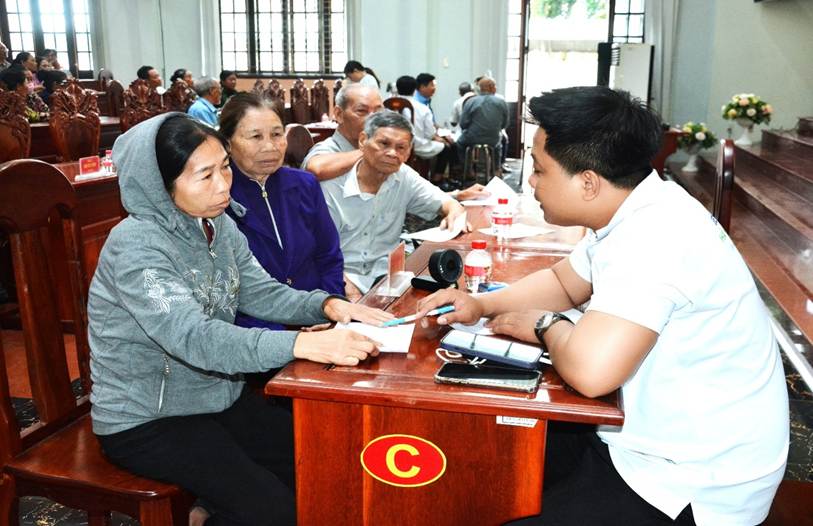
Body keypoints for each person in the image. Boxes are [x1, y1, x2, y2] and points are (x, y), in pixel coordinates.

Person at [416, 86, 788, 526]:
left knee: (503, 481)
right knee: (491, 462)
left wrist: (545, 326)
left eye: (540, 170)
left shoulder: (655, 236)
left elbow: (592, 374)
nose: (531, 182)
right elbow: (563, 282)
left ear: (588, 182)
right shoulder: (638, 206)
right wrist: (479, 305)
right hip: (648, 436)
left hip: (691, 480)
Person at [88, 113, 392, 526]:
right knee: (276, 512)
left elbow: (260, 291)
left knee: (325, 459)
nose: (223, 185)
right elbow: (195, 338)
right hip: (147, 418)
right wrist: (302, 344)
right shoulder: (136, 246)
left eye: (225, 167)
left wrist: (326, 305)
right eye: (205, 175)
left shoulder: (216, 223)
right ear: (161, 185)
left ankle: (211, 507)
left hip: (215, 397)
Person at [221, 92, 344, 330]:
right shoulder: (218, 197)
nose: (270, 146)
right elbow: (230, 290)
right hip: (256, 332)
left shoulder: (304, 184)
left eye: (277, 134)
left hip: (317, 316)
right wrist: (286, 335)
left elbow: (329, 256)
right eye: (255, 136)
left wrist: (328, 309)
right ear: (227, 143)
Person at [321, 110, 468, 296]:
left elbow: (448, 203)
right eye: (384, 144)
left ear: (408, 152)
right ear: (363, 141)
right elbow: (319, 255)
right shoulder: (331, 187)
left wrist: (454, 211)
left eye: (401, 148)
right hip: (338, 281)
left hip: (387, 279)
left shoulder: (403, 176)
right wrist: (351, 296)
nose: (392, 153)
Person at [302, 83, 384, 181]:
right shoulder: (328, 149)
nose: (373, 119)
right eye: (362, 111)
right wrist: (369, 152)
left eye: (378, 112)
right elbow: (316, 168)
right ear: (339, 114)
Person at [395, 75, 454, 188]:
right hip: (416, 146)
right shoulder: (422, 108)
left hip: (392, 146)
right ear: (415, 89)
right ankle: (437, 180)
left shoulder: (388, 105)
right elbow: (430, 134)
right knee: (445, 148)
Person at [453, 76, 509, 163]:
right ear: (491, 87)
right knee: (498, 146)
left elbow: (463, 124)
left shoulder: (471, 101)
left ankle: (467, 167)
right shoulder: (501, 102)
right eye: (495, 86)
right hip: (493, 138)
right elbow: (505, 124)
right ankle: (497, 167)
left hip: (472, 138)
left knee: (460, 143)